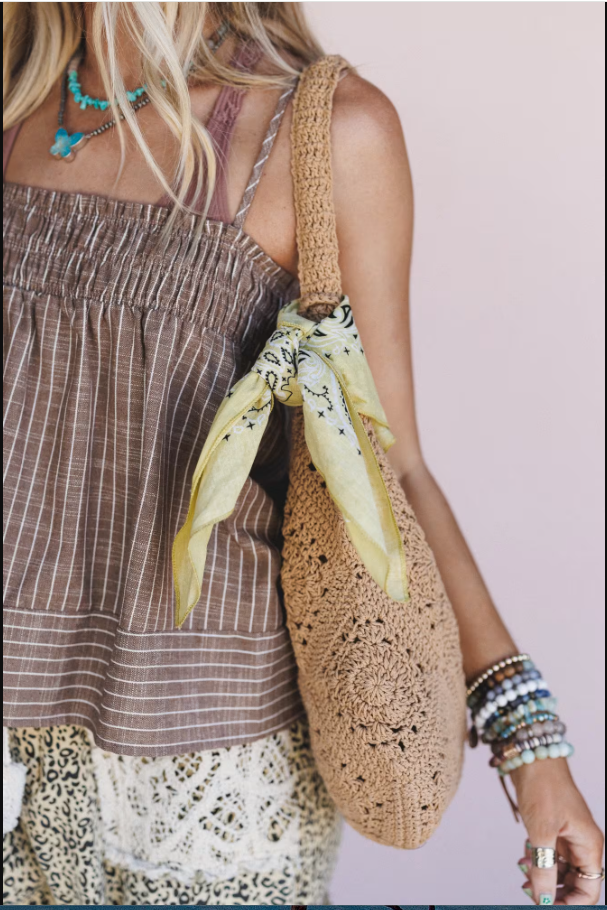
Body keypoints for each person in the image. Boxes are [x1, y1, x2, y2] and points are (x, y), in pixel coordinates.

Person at [3, 2, 603, 906]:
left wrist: (530, 742)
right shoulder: (17, 94)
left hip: (202, 762)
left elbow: (393, 467)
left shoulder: (324, 132)